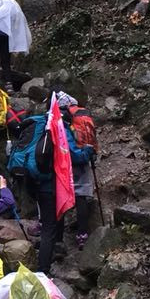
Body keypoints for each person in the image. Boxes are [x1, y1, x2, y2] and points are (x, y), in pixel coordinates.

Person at [8, 106, 94, 274]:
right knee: (49, 228)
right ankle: (43, 271)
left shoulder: (38, 123)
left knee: (53, 216)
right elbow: (74, 155)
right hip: (50, 183)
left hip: (32, 180)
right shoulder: (59, 127)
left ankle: (58, 245)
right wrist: (88, 151)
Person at [56, 91, 99, 250]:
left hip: (67, 161)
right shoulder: (84, 116)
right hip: (84, 158)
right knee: (81, 197)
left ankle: (58, 239)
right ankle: (82, 235)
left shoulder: (63, 120)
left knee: (62, 196)